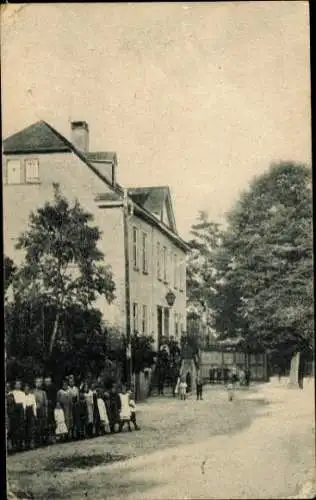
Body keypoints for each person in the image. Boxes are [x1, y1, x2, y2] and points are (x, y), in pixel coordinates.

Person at [11, 379, 26, 451]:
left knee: (21, 427)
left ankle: (20, 444)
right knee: (14, 428)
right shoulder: (12, 393)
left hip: (21, 411)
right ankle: (15, 445)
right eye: (17, 384)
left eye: (19, 384)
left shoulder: (23, 393)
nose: (18, 385)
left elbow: (24, 404)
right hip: (14, 412)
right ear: (14, 385)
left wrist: (24, 411)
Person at [34, 377, 48, 446]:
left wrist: (46, 411)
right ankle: (37, 441)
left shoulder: (43, 392)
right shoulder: (33, 392)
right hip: (36, 410)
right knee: (37, 426)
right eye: (37, 382)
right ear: (35, 383)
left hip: (42, 410)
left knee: (43, 425)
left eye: (40, 382)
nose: (39, 383)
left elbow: (45, 403)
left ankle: (44, 440)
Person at [43, 376, 57, 444]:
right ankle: (48, 438)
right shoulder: (44, 389)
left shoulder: (53, 388)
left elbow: (55, 397)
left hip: (52, 407)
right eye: (46, 382)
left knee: (53, 422)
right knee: (47, 423)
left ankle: (54, 437)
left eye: (48, 381)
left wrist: (53, 403)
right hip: (46, 408)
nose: (47, 383)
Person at [24, 383, 37, 449]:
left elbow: (34, 405)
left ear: (29, 389)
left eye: (27, 389)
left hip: (31, 411)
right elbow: (23, 406)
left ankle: (32, 443)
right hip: (25, 412)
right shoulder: (22, 396)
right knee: (26, 429)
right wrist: (23, 415)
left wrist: (35, 414)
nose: (26, 390)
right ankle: (27, 444)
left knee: (32, 428)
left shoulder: (32, 396)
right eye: (25, 389)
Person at [67, 374, 79, 440]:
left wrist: (76, 402)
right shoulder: (67, 388)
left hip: (75, 405)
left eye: (72, 381)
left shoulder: (76, 388)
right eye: (70, 381)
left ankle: (76, 434)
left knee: (76, 419)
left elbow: (77, 397)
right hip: (69, 406)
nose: (71, 382)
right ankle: (70, 435)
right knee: (70, 419)